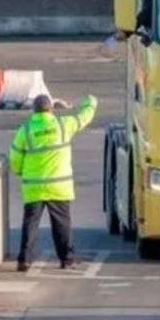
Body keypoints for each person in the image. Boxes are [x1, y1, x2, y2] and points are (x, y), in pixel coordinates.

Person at [10, 92, 98, 271]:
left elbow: (15, 158)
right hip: (59, 186)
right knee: (62, 224)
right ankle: (67, 259)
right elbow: (83, 117)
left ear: (34, 111)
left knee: (30, 224)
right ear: (51, 109)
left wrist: (20, 172)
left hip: (34, 186)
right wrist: (90, 102)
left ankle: (24, 260)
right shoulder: (62, 125)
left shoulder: (25, 130)